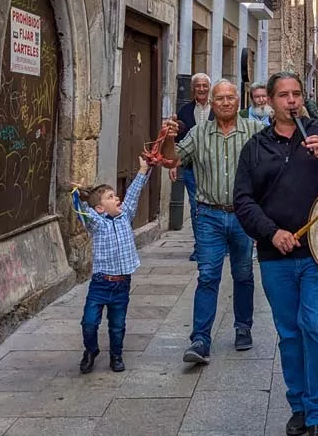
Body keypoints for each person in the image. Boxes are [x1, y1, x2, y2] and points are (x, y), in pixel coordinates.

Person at [234, 72, 318, 436]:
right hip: (276, 256)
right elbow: (242, 201)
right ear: (269, 101)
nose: (291, 101)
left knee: (316, 326)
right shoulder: (255, 148)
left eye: (297, 94)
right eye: (284, 95)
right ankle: (298, 405)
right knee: (289, 333)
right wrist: (273, 232)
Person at [160, 80, 264, 364]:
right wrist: (169, 137)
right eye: (220, 99)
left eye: (231, 98)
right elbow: (172, 160)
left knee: (243, 274)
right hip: (208, 215)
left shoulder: (255, 132)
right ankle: (200, 339)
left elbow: (273, 165)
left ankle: (243, 327)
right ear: (212, 103)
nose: (226, 103)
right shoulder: (199, 133)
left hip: (243, 215)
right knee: (207, 276)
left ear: (238, 101)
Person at [72, 156, 153, 374]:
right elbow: (84, 215)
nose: (117, 198)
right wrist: (78, 196)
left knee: (117, 326)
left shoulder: (125, 216)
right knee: (89, 322)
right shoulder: (97, 224)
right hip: (100, 283)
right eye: (111, 197)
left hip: (122, 283)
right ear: (100, 208)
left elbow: (134, 193)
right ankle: (91, 350)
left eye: (116, 195)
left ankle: (116, 355)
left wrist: (143, 169)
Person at [176, 73, 213, 260]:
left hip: (213, 169)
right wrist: (173, 165)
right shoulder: (184, 111)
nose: (201, 89)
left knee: (213, 207)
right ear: (193, 89)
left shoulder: (217, 110)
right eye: (198, 86)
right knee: (196, 208)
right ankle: (200, 248)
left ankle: (213, 245)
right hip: (191, 168)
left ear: (209, 88)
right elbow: (178, 141)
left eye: (204, 85)